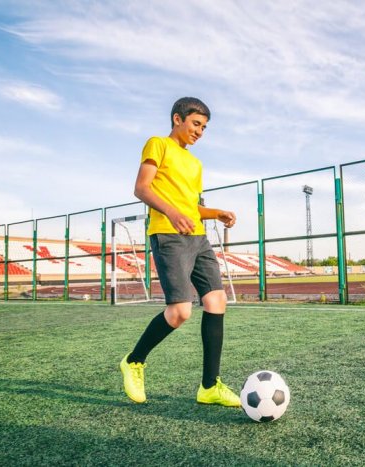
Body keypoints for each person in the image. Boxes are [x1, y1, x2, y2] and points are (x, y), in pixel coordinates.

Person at [119, 97, 240, 407]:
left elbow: (192, 207)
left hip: (198, 238)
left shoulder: (196, 164)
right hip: (168, 235)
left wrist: (216, 213)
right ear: (177, 119)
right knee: (180, 312)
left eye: (204, 127)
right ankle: (134, 360)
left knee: (216, 301)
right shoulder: (158, 144)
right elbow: (142, 188)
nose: (199, 131)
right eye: (195, 124)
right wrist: (172, 213)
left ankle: (209, 386)